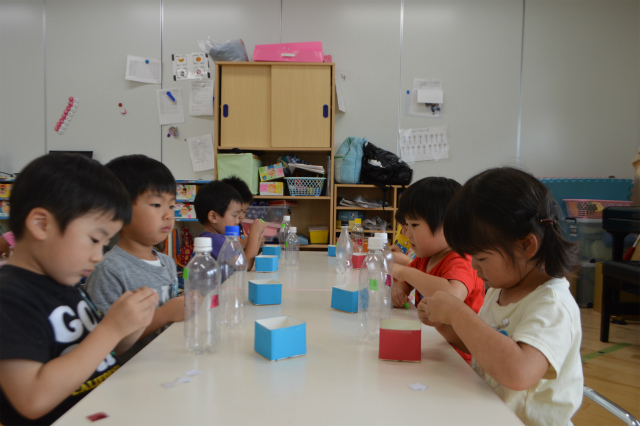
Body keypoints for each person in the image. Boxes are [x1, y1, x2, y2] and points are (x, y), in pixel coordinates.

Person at [0, 153, 158, 425]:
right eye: (95, 240)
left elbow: (98, 355)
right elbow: (32, 400)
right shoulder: (10, 297)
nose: (98, 256)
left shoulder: (67, 283)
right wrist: (111, 329)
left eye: (105, 245)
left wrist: (130, 326)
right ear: (41, 224)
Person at [420, 167, 582, 426]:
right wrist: (445, 325)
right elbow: (487, 350)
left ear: (526, 245)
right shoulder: (500, 289)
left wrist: (458, 313)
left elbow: (518, 372)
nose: (475, 268)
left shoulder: (552, 305)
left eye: (482, 258)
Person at [85, 154, 184, 341]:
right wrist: (164, 314)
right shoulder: (109, 270)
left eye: (172, 206)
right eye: (156, 204)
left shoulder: (167, 262)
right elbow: (106, 343)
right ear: (120, 210)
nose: (168, 215)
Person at [390, 177, 485, 363]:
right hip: (435, 344)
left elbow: (452, 294)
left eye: (414, 225)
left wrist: (403, 272)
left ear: (449, 225)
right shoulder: (425, 257)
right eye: (406, 225)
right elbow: (407, 283)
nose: (406, 233)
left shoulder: (461, 258)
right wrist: (400, 290)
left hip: (460, 357)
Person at [221, 176, 266, 271]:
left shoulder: (238, 226)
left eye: (244, 212)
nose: (241, 216)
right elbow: (245, 266)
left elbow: (248, 253)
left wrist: (257, 240)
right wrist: (254, 235)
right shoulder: (222, 233)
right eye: (237, 212)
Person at [193, 180, 243, 259]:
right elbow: (240, 263)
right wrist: (254, 236)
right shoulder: (215, 240)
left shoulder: (208, 237)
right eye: (234, 216)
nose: (237, 221)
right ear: (213, 217)